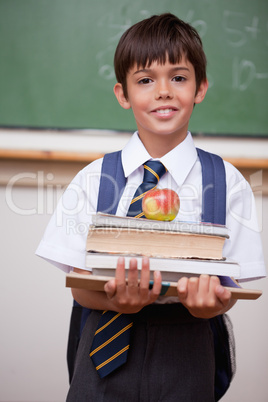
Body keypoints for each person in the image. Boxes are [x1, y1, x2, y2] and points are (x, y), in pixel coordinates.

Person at [36, 13, 266, 401]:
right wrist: (113, 298)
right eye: (145, 80)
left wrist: (206, 306)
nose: (163, 91)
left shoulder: (228, 182)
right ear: (123, 95)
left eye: (179, 77)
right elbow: (79, 286)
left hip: (188, 354)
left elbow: (230, 288)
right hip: (102, 354)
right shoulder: (93, 178)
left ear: (201, 88)